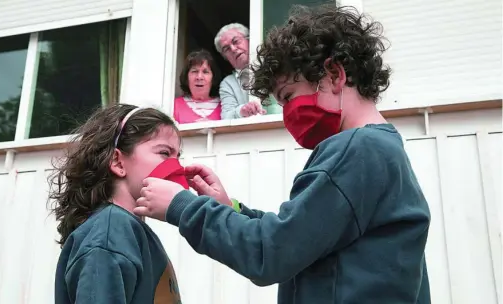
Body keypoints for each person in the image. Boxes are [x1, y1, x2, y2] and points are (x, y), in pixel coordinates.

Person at [134, 5, 432, 304]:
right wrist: (231, 208)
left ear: (334, 74)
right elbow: (300, 236)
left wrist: (181, 207)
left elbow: (271, 252)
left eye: (288, 97)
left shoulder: (356, 150)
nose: (287, 114)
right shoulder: (381, 149)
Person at [50, 104, 184, 304]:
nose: (177, 166)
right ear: (118, 162)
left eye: (178, 157)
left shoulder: (128, 231)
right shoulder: (109, 231)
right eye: (165, 153)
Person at [214, 23, 267, 119]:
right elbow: (226, 117)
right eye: (227, 49)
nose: (233, 49)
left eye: (236, 41)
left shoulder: (269, 65)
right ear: (225, 57)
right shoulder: (228, 83)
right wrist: (242, 110)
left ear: (249, 40)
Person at [174, 49, 222, 124]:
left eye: (205, 72)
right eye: (194, 71)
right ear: (187, 77)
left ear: (213, 78)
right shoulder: (174, 106)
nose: (199, 77)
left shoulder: (224, 106)